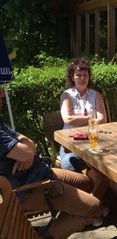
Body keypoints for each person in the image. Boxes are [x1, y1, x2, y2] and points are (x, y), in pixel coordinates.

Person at [0, 89, 102, 239]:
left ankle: (68, 212)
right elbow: (28, 151)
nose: (2, 93)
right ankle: (47, 235)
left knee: (87, 184)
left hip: (41, 171)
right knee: (94, 208)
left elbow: (28, 146)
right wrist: (27, 153)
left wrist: (27, 153)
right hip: (28, 188)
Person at [59, 58, 107, 173]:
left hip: (93, 140)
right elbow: (68, 119)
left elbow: (103, 119)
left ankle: (97, 185)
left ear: (89, 77)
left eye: (85, 75)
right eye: (78, 75)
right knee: (69, 162)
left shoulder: (96, 95)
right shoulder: (66, 95)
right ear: (72, 77)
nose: (82, 78)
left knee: (104, 159)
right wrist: (90, 118)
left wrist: (78, 120)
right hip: (71, 142)